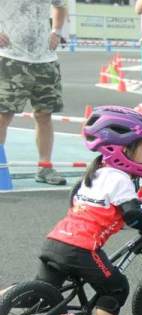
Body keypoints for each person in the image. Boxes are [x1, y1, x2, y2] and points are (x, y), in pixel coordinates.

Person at [37, 106, 142, 315]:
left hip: (55, 240)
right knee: (116, 287)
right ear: (124, 150)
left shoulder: (96, 173)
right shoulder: (120, 179)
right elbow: (135, 216)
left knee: (37, 293)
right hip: (82, 249)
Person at [0, 0, 67, 185]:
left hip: (45, 60)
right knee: (3, 115)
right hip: (11, 57)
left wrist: (56, 31)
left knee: (44, 114)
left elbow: (60, 6)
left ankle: (44, 167)